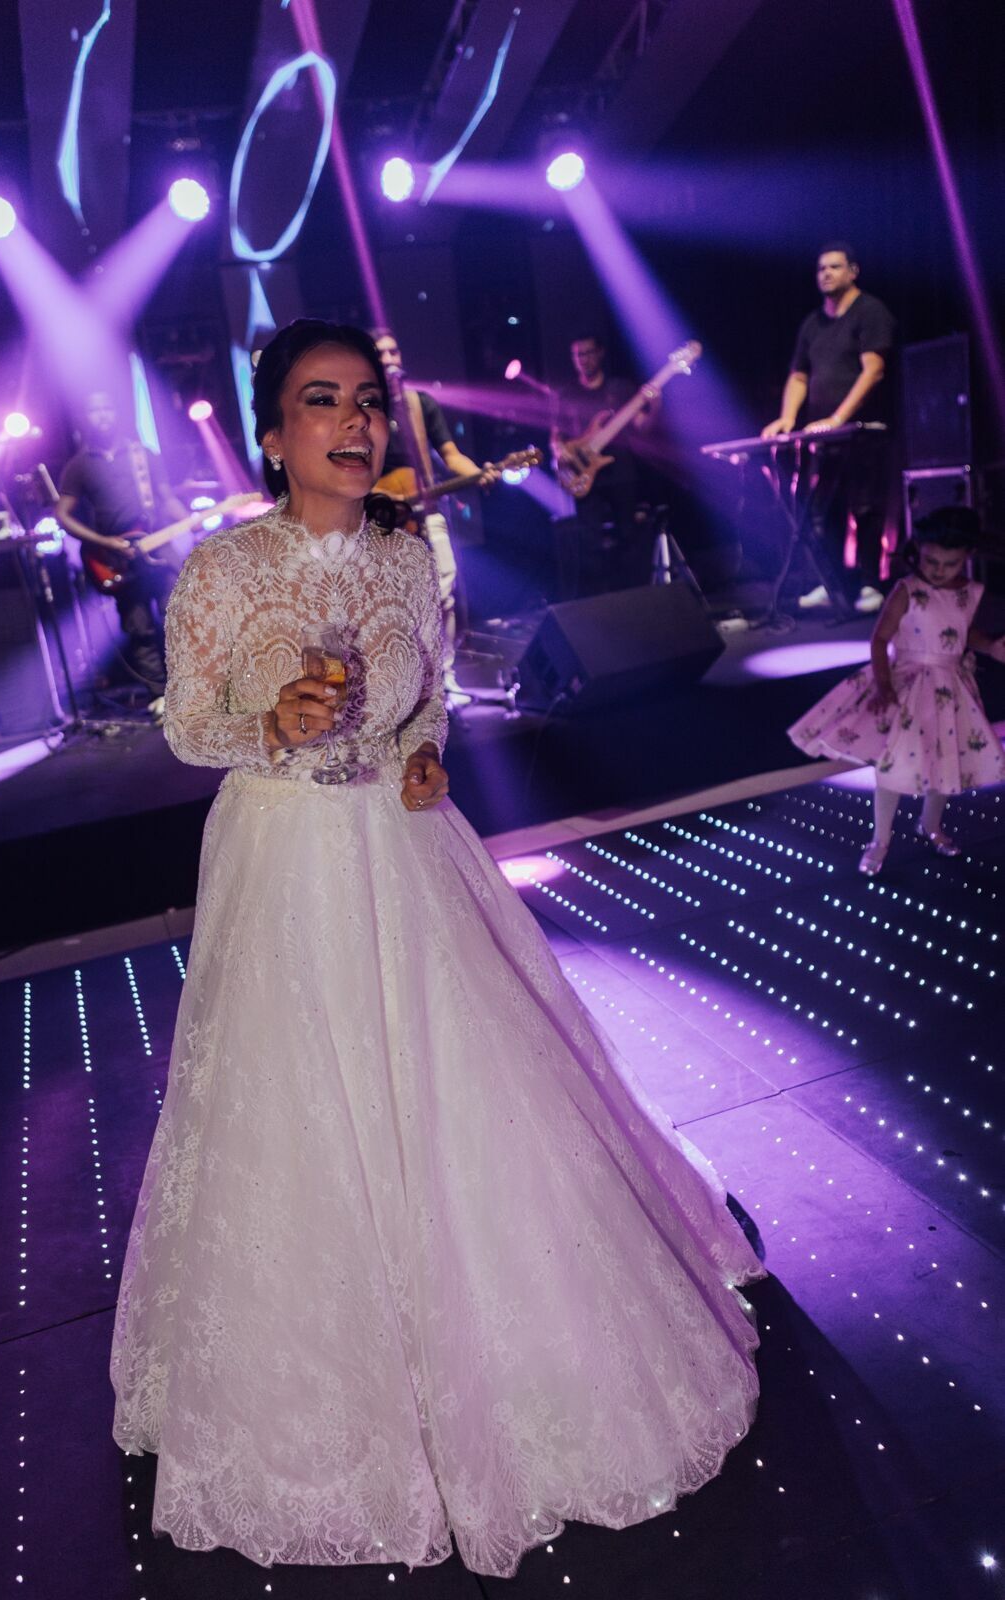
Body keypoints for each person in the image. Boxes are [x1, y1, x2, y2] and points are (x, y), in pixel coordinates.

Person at [110, 318, 763, 1578]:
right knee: (298, 1119)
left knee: (472, 1104)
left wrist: (421, 756)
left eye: (365, 402)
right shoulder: (223, 573)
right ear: (271, 433)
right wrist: (267, 718)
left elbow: (432, 706)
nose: (354, 425)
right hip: (283, 860)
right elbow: (187, 725)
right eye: (321, 403)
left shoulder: (413, 563)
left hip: (408, 861)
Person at [788, 505, 1005, 874]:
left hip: (951, 690)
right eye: (931, 560)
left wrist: (992, 646)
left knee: (945, 761)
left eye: (948, 564)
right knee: (893, 766)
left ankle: (931, 825)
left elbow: (964, 634)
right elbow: (880, 638)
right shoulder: (909, 590)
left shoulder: (970, 592)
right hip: (911, 686)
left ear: (966, 558)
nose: (938, 570)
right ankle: (880, 839)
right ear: (919, 550)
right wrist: (884, 684)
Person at [762, 242, 896, 614]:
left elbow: (874, 370)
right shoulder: (812, 323)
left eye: (834, 267)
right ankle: (832, 581)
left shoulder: (870, 312)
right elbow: (799, 375)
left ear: (853, 271)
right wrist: (788, 418)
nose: (826, 274)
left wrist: (839, 418)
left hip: (864, 430)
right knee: (823, 509)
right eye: (821, 268)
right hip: (826, 435)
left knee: (866, 507)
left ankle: (871, 583)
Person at [56, 391, 196, 717]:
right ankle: (160, 696)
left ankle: (193, 690)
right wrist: (102, 543)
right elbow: (62, 515)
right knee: (139, 628)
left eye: (108, 408)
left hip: (156, 546)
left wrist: (189, 521)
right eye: (95, 410)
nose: (102, 415)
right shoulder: (78, 466)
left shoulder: (143, 455)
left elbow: (165, 497)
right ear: (85, 418)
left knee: (180, 617)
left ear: (116, 413)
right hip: (116, 556)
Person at [372, 327, 496, 694]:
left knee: (444, 591)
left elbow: (451, 454)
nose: (391, 359)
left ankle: (446, 677)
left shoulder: (419, 404)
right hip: (382, 520)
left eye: (394, 352)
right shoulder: (363, 410)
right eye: (381, 354)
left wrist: (478, 473)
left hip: (427, 512)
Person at [550, 331, 658, 598]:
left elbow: (642, 427)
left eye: (587, 353)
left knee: (629, 537)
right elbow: (556, 436)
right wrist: (561, 453)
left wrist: (655, 405)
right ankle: (599, 603)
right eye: (577, 355)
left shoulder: (619, 389)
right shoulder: (567, 394)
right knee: (589, 543)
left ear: (600, 353)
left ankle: (634, 598)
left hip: (621, 471)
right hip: (585, 473)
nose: (583, 359)